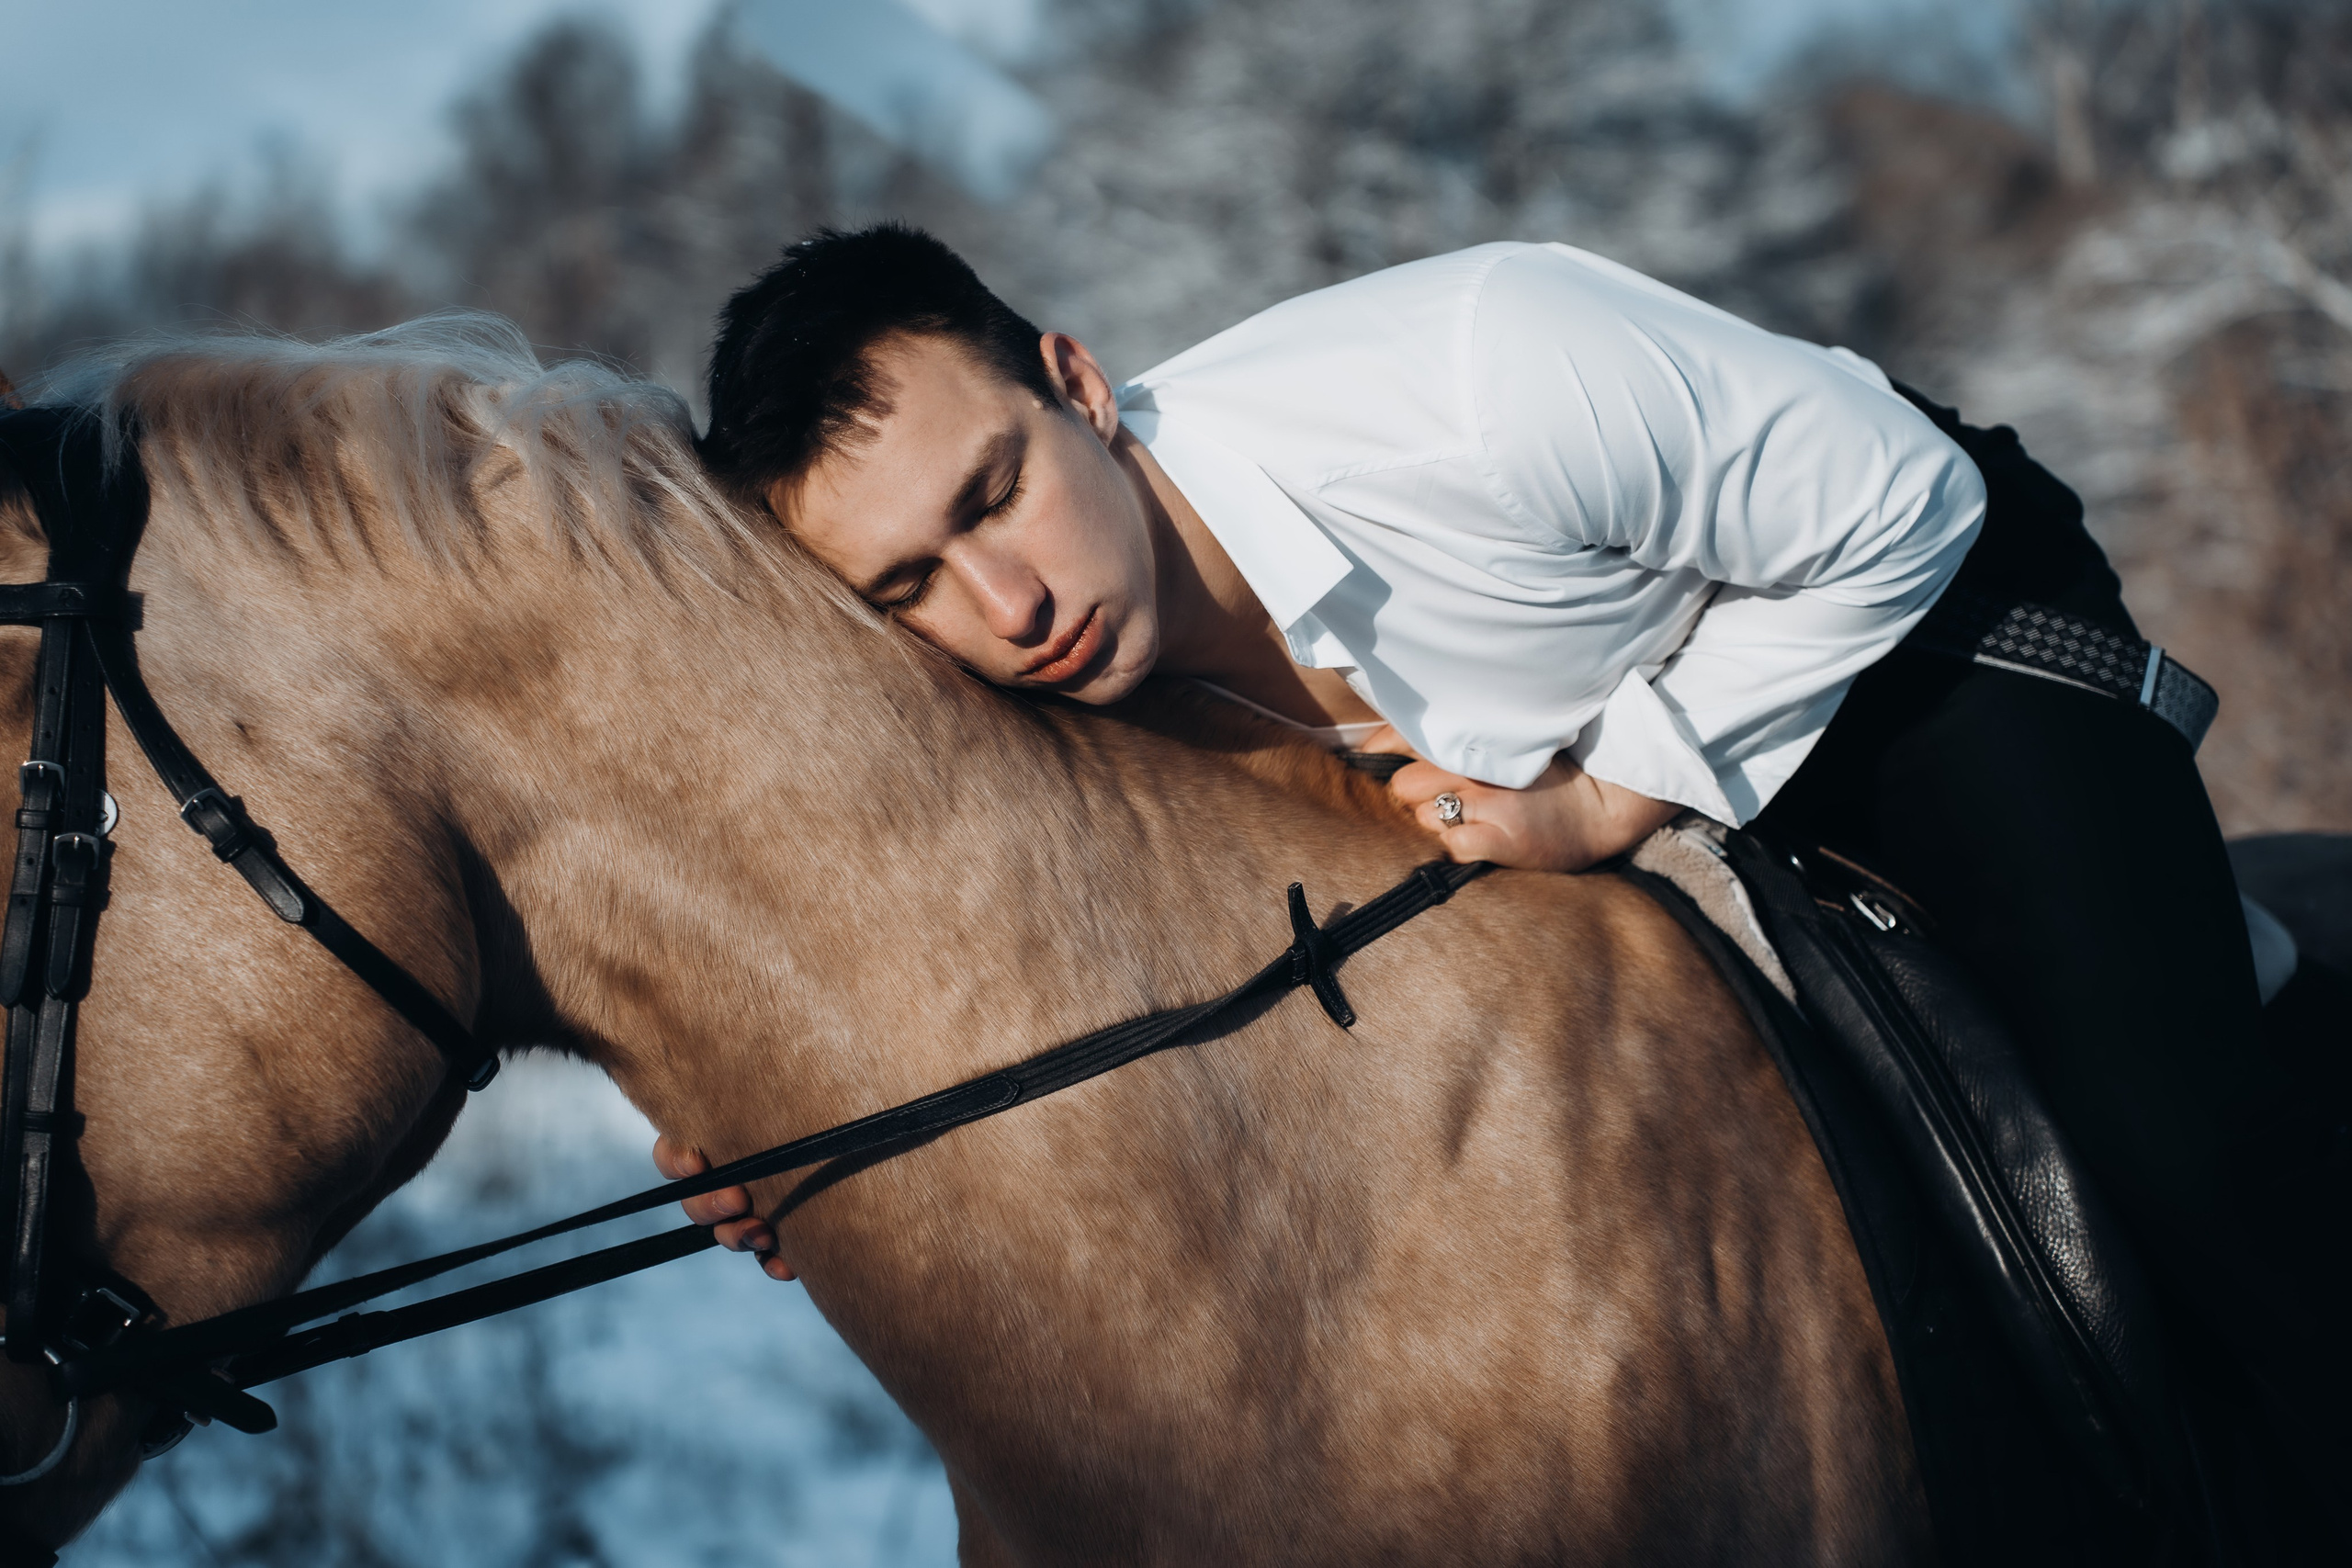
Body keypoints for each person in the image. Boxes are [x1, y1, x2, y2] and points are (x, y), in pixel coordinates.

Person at [655, 224, 2345, 1526]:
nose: (1006, 605)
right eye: (910, 585)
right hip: (1649, 759)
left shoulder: (1473, 364)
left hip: (1896, 620)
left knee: (2159, 1132)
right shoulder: (1022, 670)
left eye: (999, 493)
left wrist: (1614, 795)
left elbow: (1903, 504)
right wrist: (785, 1133)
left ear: (1077, 382)